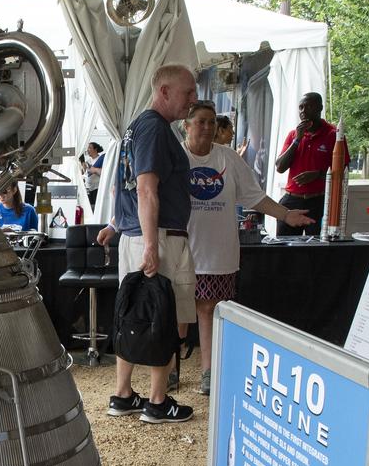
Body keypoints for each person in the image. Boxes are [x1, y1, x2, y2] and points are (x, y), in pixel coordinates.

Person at [182, 101, 313, 394]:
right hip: (181, 249)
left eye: (210, 122)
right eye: (200, 121)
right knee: (178, 313)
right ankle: (169, 367)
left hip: (218, 251)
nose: (206, 127)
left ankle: (208, 372)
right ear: (186, 126)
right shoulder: (176, 157)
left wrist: (286, 214)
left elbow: (255, 197)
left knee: (208, 309)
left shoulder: (228, 158)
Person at [100, 63, 198, 424]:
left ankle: (123, 395)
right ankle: (157, 402)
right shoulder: (155, 128)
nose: (194, 99)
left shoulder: (137, 128)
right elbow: (145, 187)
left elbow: (126, 187)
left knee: (133, 315)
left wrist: (117, 224)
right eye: (188, 92)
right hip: (156, 237)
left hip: (135, 234)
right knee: (162, 315)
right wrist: (152, 246)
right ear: (165, 91)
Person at [274, 92, 349, 236]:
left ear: (320, 107)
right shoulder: (293, 135)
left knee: (315, 251)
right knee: (283, 249)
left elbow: (343, 171)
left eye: (308, 106)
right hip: (292, 200)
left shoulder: (333, 134)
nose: (303, 111)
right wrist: (297, 139)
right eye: (300, 107)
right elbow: (280, 167)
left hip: (318, 202)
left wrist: (318, 174)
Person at [83, 141, 104, 205]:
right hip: (89, 189)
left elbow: (103, 173)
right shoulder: (88, 161)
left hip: (97, 188)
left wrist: (94, 170)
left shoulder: (101, 159)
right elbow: (86, 174)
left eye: (90, 148)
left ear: (95, 149)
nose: (87, 150)